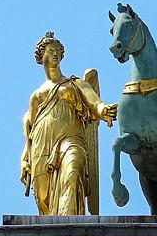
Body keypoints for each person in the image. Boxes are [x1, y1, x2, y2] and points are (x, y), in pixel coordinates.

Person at [20, 31, 116, 215]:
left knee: (73, 171)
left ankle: (71, 227)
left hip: (71, 140)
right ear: (42, 57)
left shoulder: (74, 83)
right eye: (50, 50)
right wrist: (25, 160)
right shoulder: (36, 96)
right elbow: (29, 135)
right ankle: (55, 233)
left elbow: (93, 102)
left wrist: (103, 110)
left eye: (57, 50)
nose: (55, 53)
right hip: (41, 148)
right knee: (44, 199)